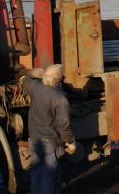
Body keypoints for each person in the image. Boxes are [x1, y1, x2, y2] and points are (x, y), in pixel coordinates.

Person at [20, 64, 76, 194]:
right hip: (49, 142)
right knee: (49, 176)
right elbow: (64, 125)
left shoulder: (35, 88)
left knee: (37, 172)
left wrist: (34, 73)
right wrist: (70, 142)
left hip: (34, 139)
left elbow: (23, 78)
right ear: (58, 80)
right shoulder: (60, 99)